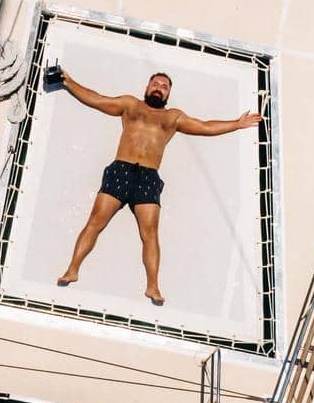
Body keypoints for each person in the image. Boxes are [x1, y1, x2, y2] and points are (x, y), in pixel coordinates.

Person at [53, 70, 261, 305]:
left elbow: (204, 126)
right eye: (156, 83)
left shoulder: (172, 117)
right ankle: (72, 269)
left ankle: (152, 286)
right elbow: (96, 98)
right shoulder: (130, 105)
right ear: (147, 87)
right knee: (95, 223)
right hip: (121, 168)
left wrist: (237, 124)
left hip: (148, 177)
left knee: (150, 234)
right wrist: (68, 82)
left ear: (169, 93)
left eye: (164, 86)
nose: (159, 87)